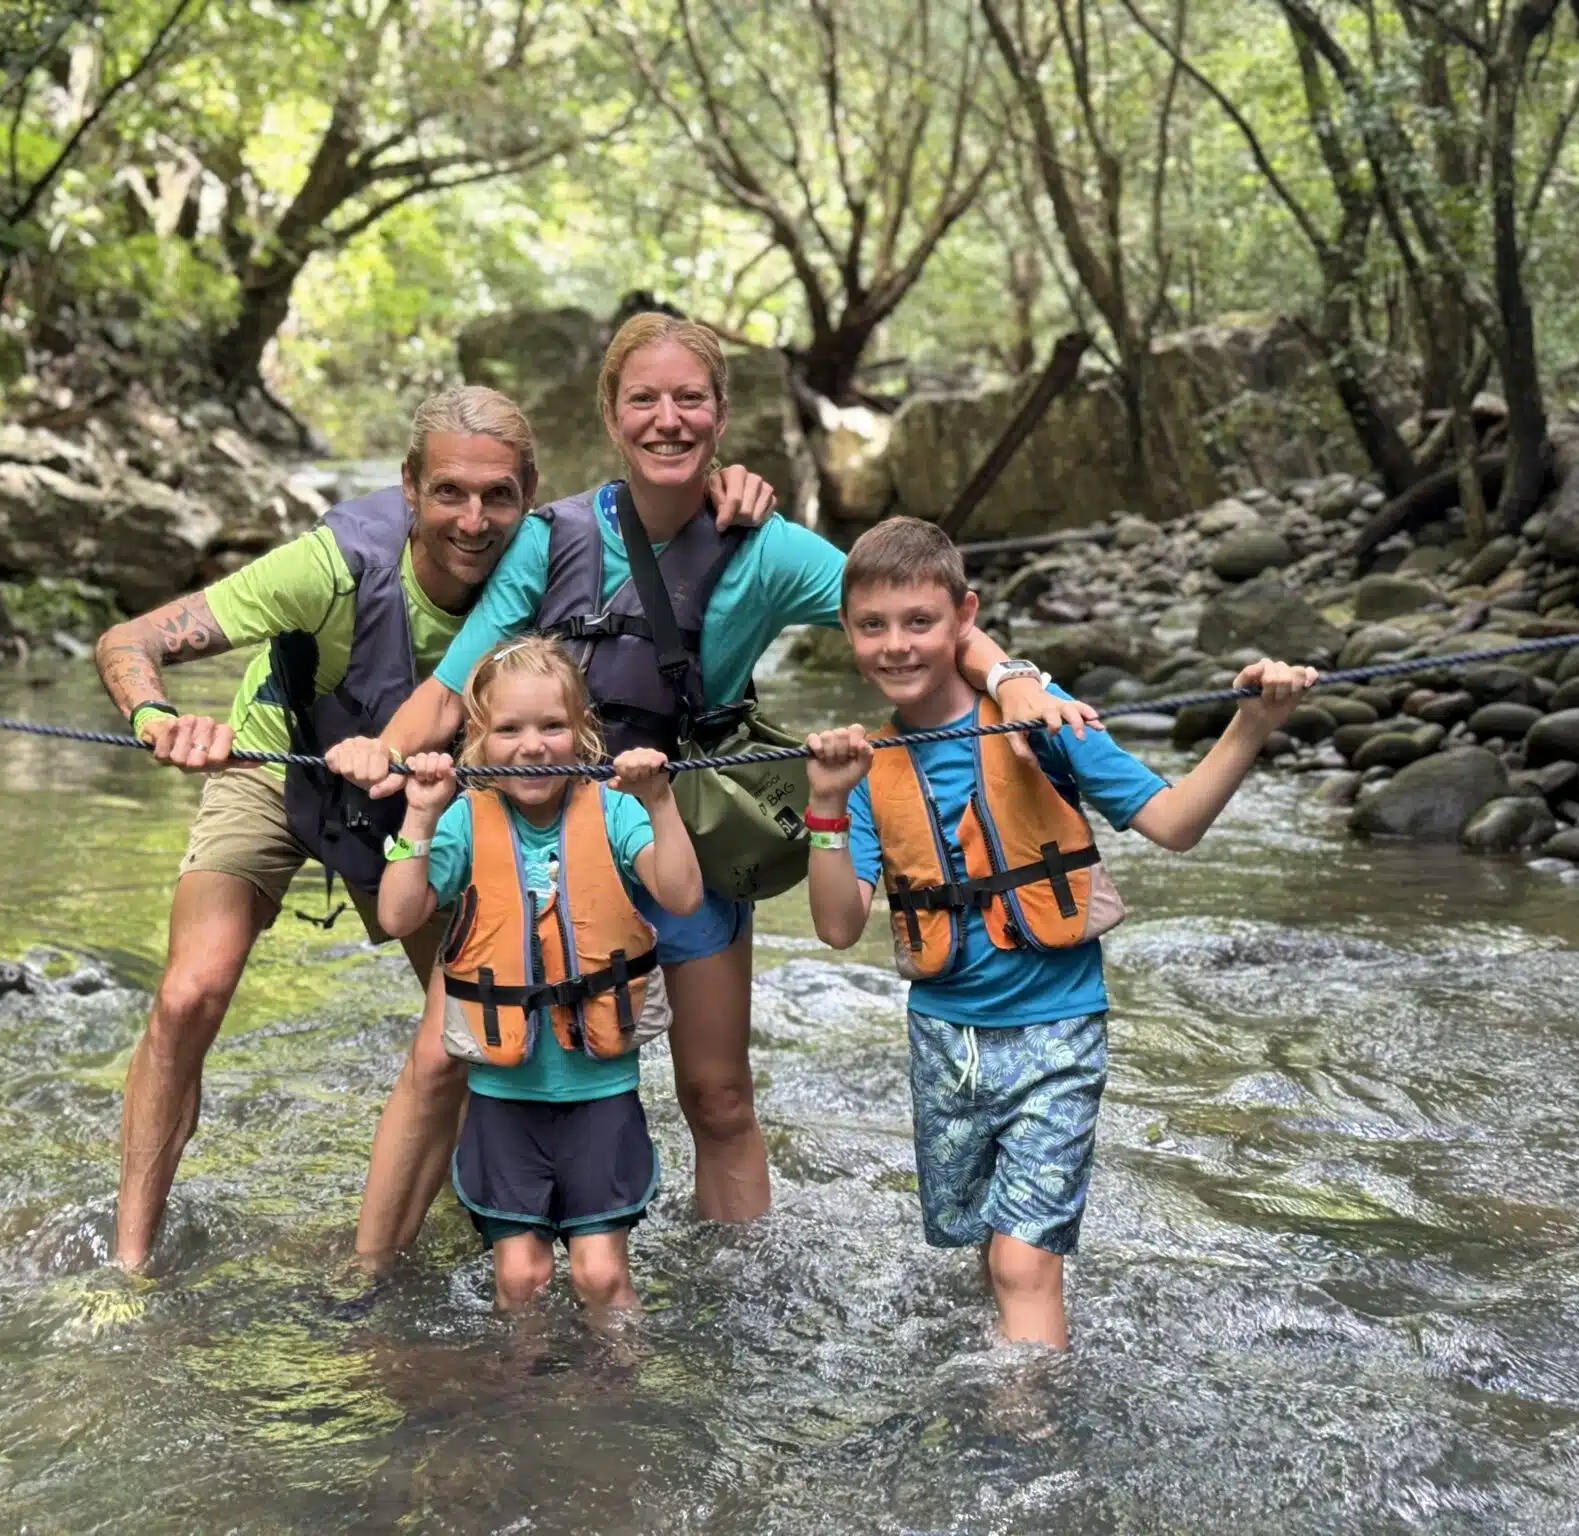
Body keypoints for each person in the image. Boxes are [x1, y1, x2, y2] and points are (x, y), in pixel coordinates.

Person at [329, 314, 1097, 1243]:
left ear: (722, 413)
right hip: (539, 841)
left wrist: (1011, 675)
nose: (668, 419)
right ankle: (374, 1276)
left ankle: (737, 1299)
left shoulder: (766, 545)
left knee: (718, 1095)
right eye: (643, 400)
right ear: (611, 419)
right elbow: (452, 695)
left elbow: (912, 610)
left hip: (676, 832)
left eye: (689, 398)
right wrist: (380, 749)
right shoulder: (547, 540)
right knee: (447, 1061)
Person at [92, 384, 777, 1272]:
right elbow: (128, 641)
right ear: (410, 486)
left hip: (430, 797)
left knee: (463, 1037)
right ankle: (129, 1262)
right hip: (277, 769)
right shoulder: (328, 564)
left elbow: (655, 505)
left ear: (530, 494)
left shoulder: (551, 558)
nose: (473, 519)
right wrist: (158, 720)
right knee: (190, 994)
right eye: (449, 492)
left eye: (499, 495)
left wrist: (730, 485)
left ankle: (417, 1255)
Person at [800, 516, 1316, 1349]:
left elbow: (1175, 824)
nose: (896, 646)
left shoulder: (1046, 724)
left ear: (965, 617)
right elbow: (834, 925)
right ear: (848, 632)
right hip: (947, 1043)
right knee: (984, 1246)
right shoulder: (868, 770)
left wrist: (1251, 725)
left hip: (1059, 1030)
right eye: (872, 626)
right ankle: (1005, 1381)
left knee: (1021, 1264)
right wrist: (825, 802)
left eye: (920, 622)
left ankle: (1028, 1450)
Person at [375, 637, 702, 1314]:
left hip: (599, 1090)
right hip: (503, 1095)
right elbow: (399, 914)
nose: (533, 746)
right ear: (479, 742)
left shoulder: (613, 811)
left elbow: (681, 896)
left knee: (600, 1276)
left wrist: (660, 802)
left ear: (582, 734)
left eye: (552, 726)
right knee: (521, 1278)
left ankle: (616, 1399)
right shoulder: (466, 820)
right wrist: (419, 813)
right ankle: (522, 1406)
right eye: (510, 729)